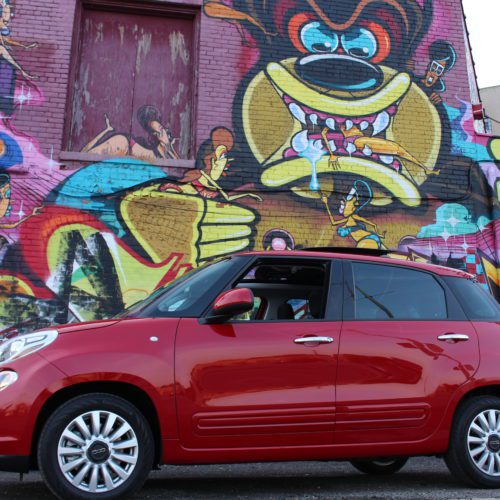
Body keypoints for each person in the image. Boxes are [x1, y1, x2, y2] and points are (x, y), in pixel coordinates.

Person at [81, 105, 180, 161]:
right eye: (155, 132)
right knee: (86, 156)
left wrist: (169, 145)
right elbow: (84, 158)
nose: (160, 134)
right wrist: (106, 131)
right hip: (125, 145)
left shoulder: (167, 151)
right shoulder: (122, 143)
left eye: (161, 129)